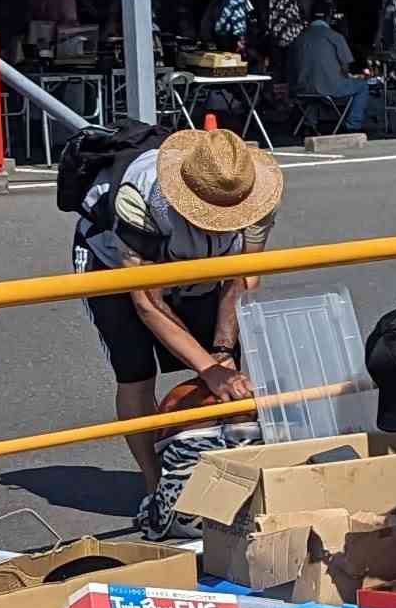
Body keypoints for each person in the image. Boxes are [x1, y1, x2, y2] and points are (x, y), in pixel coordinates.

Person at [79, 123, 281, 503]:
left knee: (230, 377)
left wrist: (221, 352)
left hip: (201, 264)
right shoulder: (138, 197)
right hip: (112, 263)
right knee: (136, 371)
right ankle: (156, 485)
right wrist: (207, 368)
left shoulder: (258, 194)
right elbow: (147, 302)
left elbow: (240, 275)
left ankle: (227, 480)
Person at [280, 4, 368, 143]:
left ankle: (309, 124)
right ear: (328, 18)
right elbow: (345, 68)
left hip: (301, 89)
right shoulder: (335, 37)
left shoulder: (298, 39)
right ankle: (352, 125)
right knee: (362, 86)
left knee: (315, 92)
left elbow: (291, 67)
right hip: (328, 88)